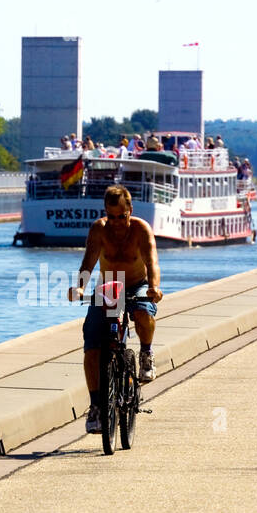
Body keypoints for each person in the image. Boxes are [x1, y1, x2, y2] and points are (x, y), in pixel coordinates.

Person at [68, 185, 163, 434]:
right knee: (92, 349)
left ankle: (145, 353)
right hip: (108, 287)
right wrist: (79, 287)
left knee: (143, 312)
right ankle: (96, 406)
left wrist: (154, 287)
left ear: (130, 211)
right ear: (106, 213)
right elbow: (88, 262)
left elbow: (152, 262)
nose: (117, 222)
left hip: (138, 285)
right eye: (112, 216)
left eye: (122, 216)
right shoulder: (99, 230)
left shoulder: (141, 229)